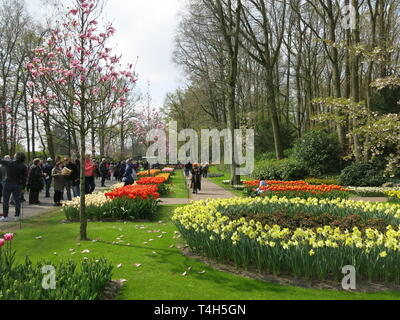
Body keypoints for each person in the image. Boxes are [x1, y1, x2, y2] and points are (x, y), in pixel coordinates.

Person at [0, 153, 28, 222]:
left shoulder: (9, 162)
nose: (14, 156)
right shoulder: (24, 166)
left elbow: (0, 160)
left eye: (15, 155)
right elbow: (24, 178)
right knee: (17, 201)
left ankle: (5, 216)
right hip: (18, 185)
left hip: (8, 184)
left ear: (16, 157)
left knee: (6, 201)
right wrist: (23, 187)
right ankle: (17, 216)